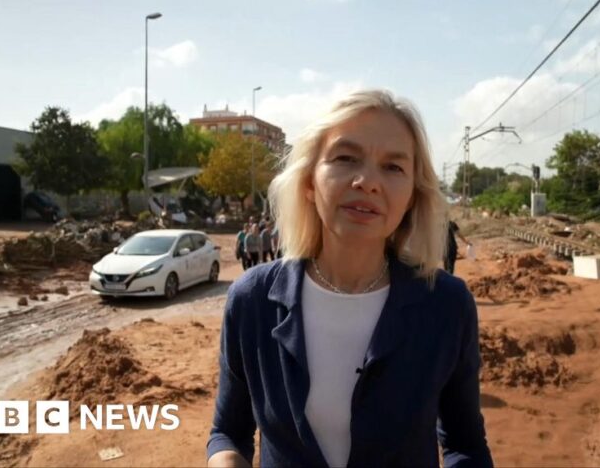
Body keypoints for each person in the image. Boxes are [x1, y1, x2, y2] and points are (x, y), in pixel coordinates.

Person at [207, 90, 493, 467]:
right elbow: (228, 432)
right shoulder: (253, 299)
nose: (368, 181)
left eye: (393, 167)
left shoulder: (446, 305)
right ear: (309, 181)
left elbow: (465, 445)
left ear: (412, 195)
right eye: (345, 158)